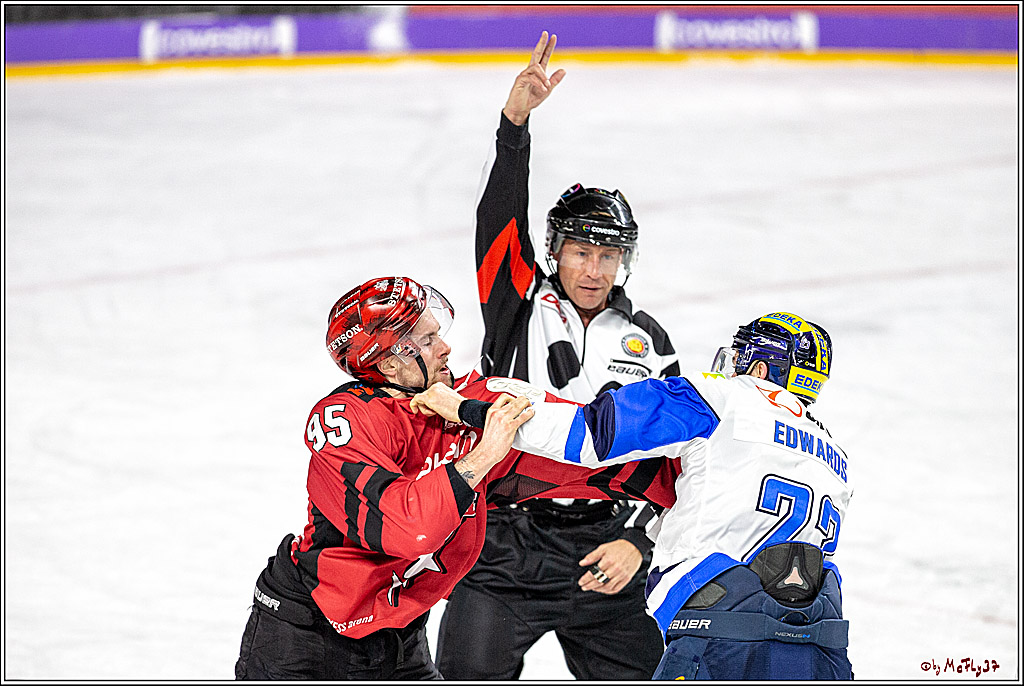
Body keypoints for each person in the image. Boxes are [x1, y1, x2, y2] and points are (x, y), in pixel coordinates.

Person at [233, 276, 680, 681]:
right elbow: (411, 527)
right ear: (389, 364)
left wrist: (683, 463)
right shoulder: (344, 420)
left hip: (398, 631)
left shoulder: (465, 397)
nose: (445, 347)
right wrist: (485, 452)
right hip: (306, 629)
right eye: (427, 339)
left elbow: (576, 440)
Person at [416, 311, 854, 680]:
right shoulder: (834, 455)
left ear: (758, 369)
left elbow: (587, 436)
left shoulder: (719, 398)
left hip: (724, 639)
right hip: (822, 647)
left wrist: (464, 409)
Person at [435, 31, 678, 680]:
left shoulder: (651, 342)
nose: (594, 268)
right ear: (556, 249)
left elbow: (670, 460)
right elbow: (498, 218)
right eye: (581, 251)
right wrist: (515, 126)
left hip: (603, 553)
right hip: (504, 548)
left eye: (607, 254)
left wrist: (633, 537)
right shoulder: (517, 298)